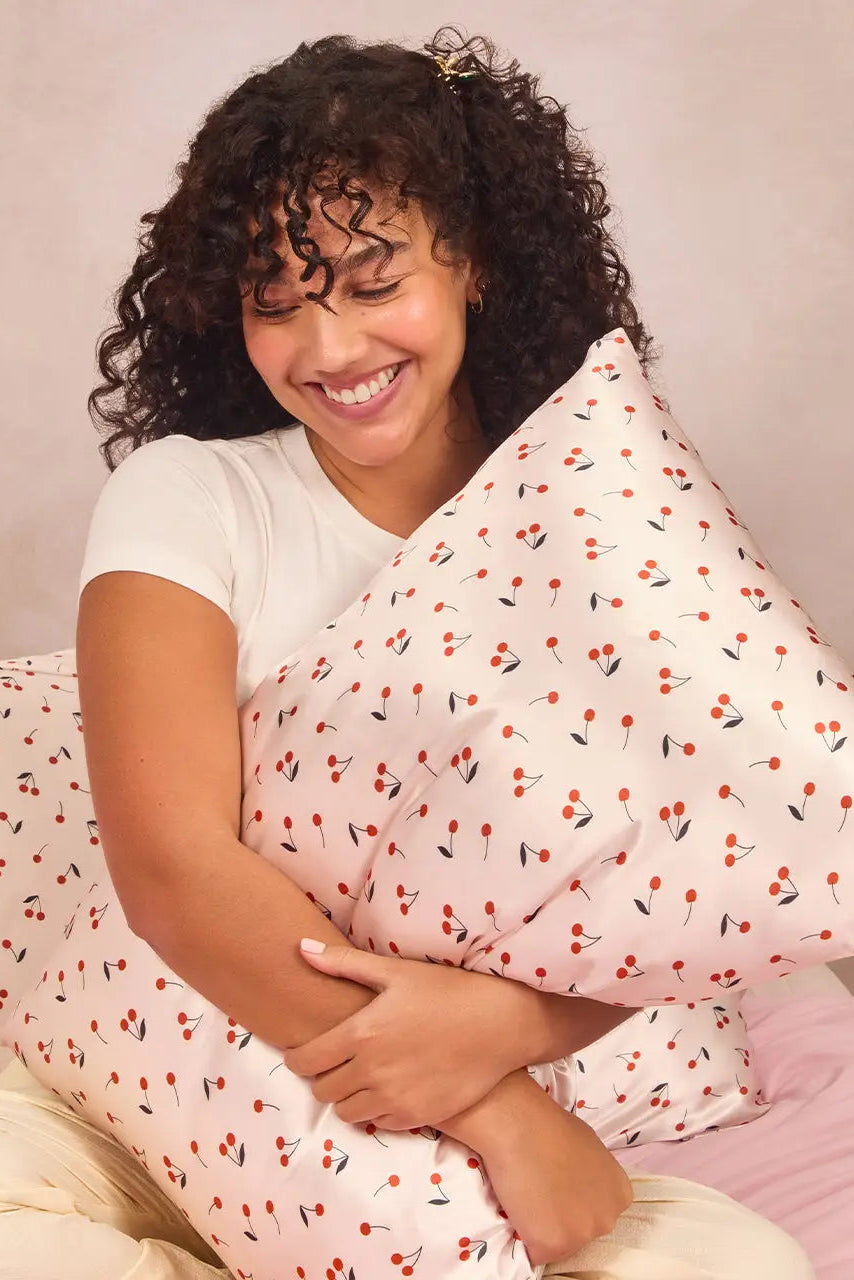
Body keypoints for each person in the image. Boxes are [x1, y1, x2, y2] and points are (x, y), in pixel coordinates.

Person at [0, 28, 815, 1280]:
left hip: (406, 1152)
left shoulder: (585, 515)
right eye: (275, 298)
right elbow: (168, 870)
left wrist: (502, 1032)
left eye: (373, 282)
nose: (329, 351)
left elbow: (660, 869)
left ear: (472, 261)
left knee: (737, 1266)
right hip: (137, 1084)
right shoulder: (194, 496)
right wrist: (500, 1104)